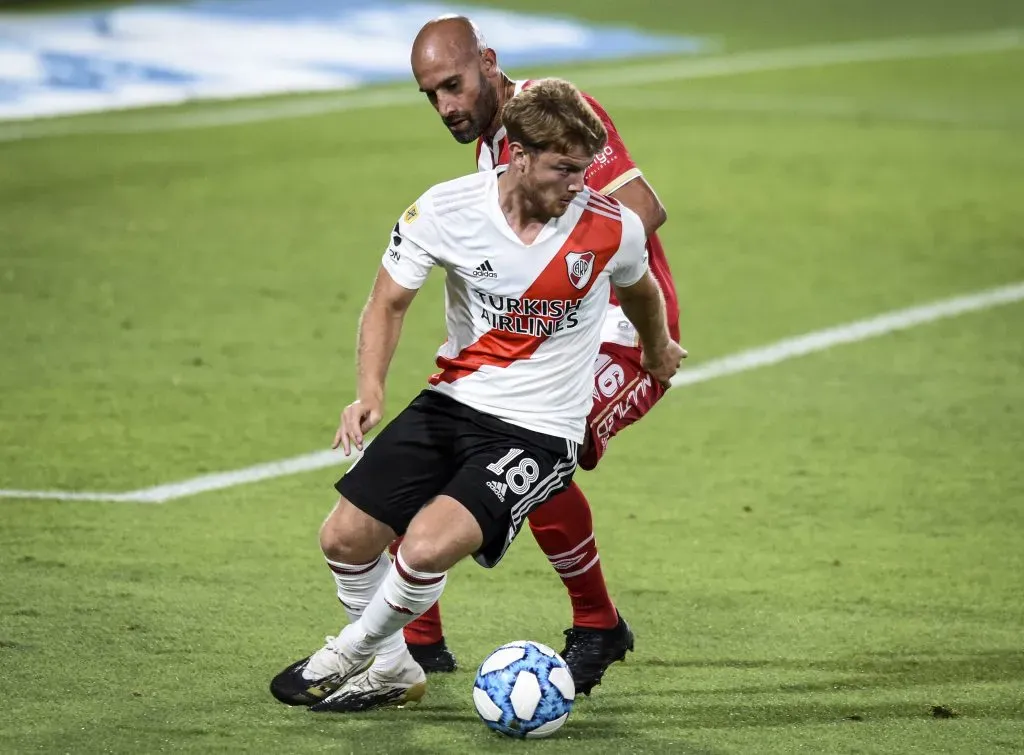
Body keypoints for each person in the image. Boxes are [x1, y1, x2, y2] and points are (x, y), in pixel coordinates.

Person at [270, 78, 685, 713]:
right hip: (452, 402)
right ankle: (392, 669)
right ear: (519, 156)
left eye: (583, 169)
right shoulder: (446, 209)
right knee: (344, 540)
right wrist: (369, 392)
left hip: (540, 430)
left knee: (427, 545)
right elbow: (388, 299)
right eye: (564, 169)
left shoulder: (608, 228)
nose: (580, 184)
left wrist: (657, 351)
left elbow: (641, 291)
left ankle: (351, 650)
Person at [393, 15, 683, 694]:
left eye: (454, 85)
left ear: (488, 63)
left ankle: (597, 623)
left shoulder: (555, 118)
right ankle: (420, 638)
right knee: (447, 432)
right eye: (432, 95)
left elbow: (641, 210)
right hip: (545, 333)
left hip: (620, 334)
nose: (446, 107)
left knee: (540, 444)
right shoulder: (494, 148)